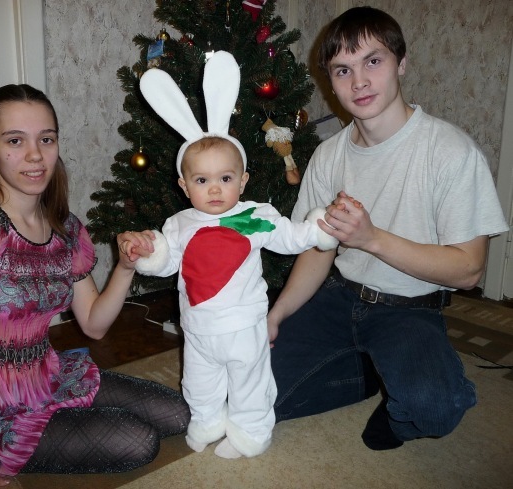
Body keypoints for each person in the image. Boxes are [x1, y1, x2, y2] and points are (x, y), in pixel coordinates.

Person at [0, 84, 190, 488]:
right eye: (15, 140)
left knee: (179, 414)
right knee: (139, 440)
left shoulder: (65, 230)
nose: (35, 155)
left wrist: (126, 266)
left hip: (47, 375)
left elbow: (94, 324)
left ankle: (59, 414)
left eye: (46, 139)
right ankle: (2, 446)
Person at [267, 6, 510, 451]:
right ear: (331, 81)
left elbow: (469, 270)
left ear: (401, 63)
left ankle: (402, 395)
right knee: (253, 393)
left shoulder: (451, 152)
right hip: (338, 297)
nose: (359, 81)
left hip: (409, 309)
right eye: (343, 70)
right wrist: (277, 315)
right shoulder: (328, 156)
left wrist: (371, 238)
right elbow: (319, 251)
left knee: (433, 410)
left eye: (373, 61)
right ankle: (366, 375)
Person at [121, 51, 339, 459]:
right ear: (185, 186)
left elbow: (291, 237)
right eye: (202, 180)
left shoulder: (253, 217)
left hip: (244, 326)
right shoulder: (179, 224)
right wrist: (150, 252)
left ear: (243, 180)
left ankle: (250, 431)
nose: (216, 189)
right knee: (199, 381)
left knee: (249, 382)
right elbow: (168, 263)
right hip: (198, 329)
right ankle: (206, 420)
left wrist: (319, 229)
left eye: (225, 178)